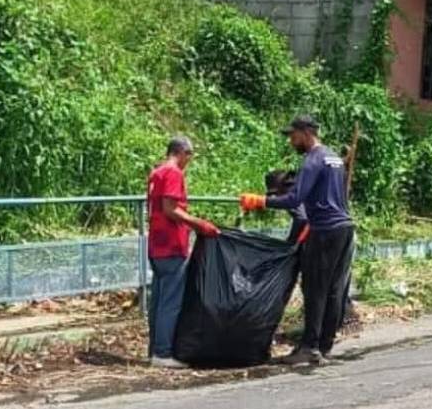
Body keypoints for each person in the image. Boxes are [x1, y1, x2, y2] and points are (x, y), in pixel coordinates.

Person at [241, 115, 354, 365]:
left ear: (305, 132)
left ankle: (309, 347)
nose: (291, 141)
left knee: (315, 289)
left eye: (293, 136)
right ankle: (324, 346)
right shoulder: (334, 157)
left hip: (325, 230)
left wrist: (261, 201)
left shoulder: (312, 160)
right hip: (344, 229)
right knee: (334, 290)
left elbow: (295, 199)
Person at [148, 136, 220, 368]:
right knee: (170, 302)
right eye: (189, 156)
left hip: (156, 244)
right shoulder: (173, 173)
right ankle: (162, 352)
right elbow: (170, 209)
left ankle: (154, 349)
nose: (189, 161)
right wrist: (199, 224)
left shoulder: (156, 172)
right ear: (182, 153)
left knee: (159, 300)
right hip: (171, 244)